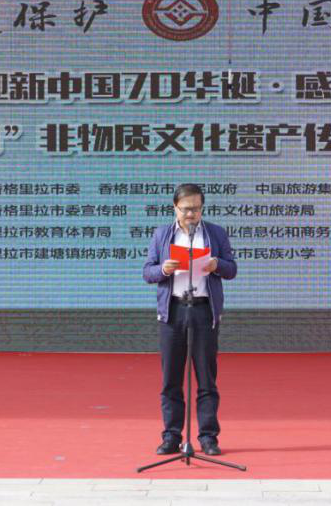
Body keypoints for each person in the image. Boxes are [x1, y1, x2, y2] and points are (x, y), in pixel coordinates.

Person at [142, 183, 237, 456]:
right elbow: (147, 272)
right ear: (175, 208)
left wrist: (217, 265)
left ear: (202, 208)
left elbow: (232, 269)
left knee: (206, 378)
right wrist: (164, 269)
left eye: (196, 209)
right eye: (185, 209)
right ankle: (172, 436)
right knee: (171, 379)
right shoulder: (162, 234)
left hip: (203, 311)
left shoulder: (215, 233)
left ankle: (208, 437)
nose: (191, 214)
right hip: (173, 311)